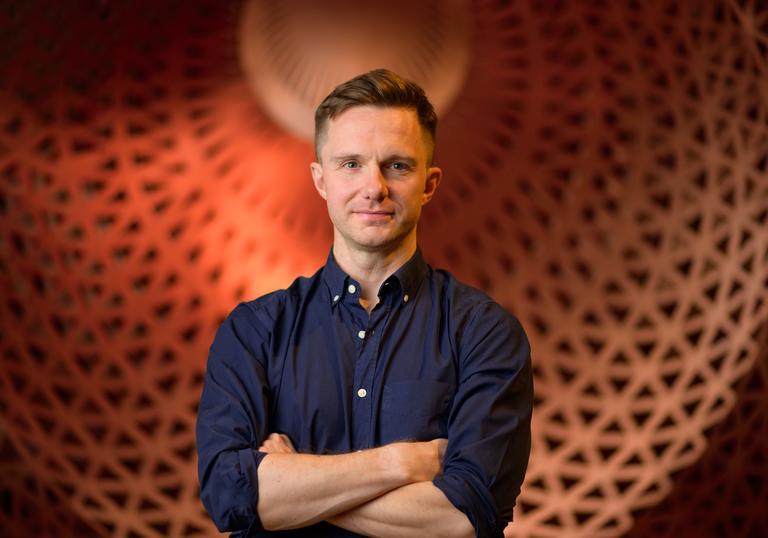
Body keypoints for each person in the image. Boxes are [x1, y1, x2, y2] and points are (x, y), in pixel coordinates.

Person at [196, 69, 533, 537]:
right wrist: (401, 464)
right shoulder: (254, 331)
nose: (373, 187)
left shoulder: (485, 334)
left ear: (430, 183)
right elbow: (230, 496)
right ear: (320, 180)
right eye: (350, 164)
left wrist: (292, 483)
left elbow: (461, 518)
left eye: (397, 165)